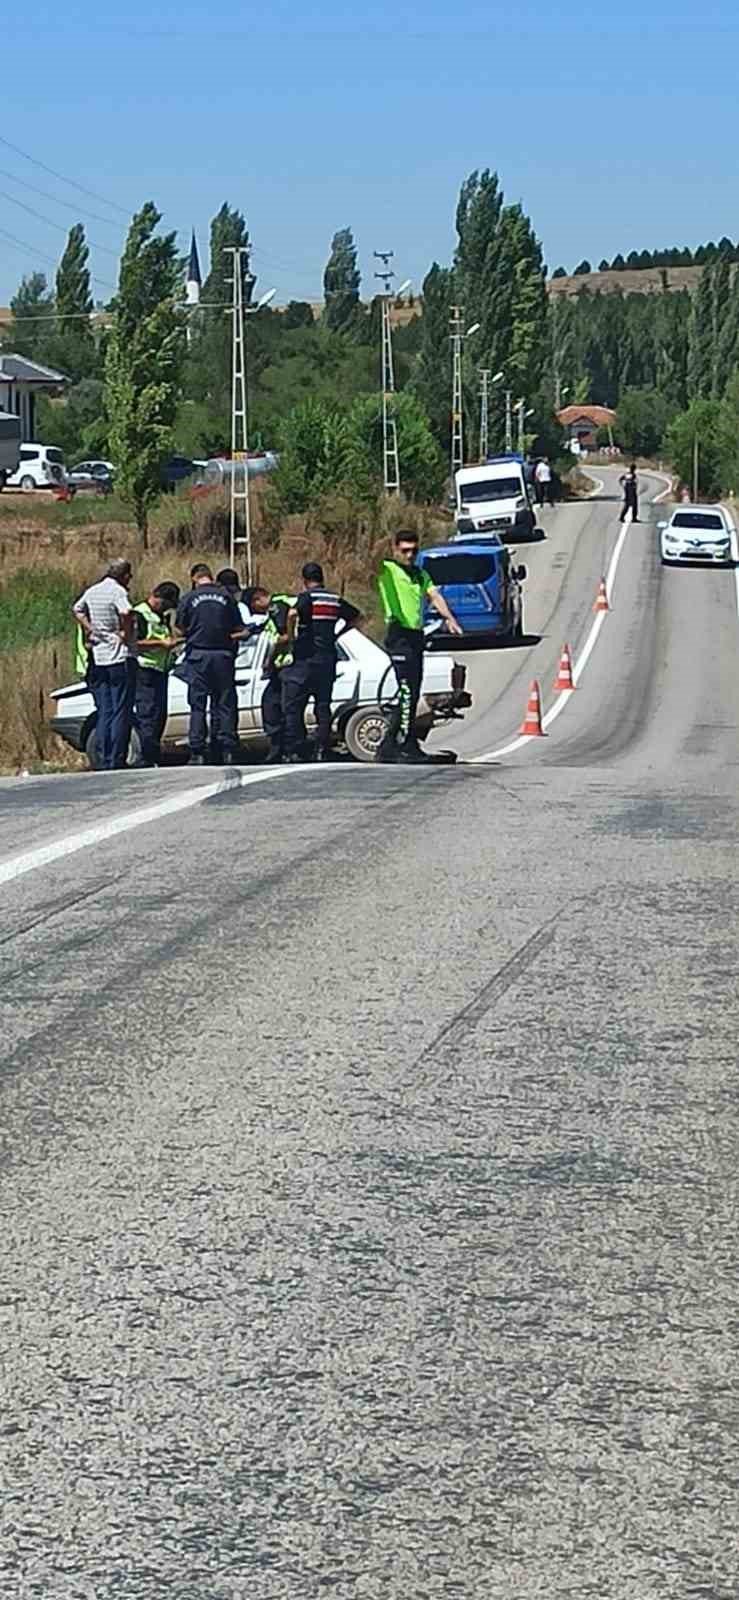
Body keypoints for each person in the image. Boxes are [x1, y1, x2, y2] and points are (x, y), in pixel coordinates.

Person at [376, 530, 463, 765]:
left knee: (412, 693)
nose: (409, 555)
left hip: (416, 636)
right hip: (398, 635)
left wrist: (449, 618)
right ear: (394, 549)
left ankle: (389, 745)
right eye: (404, 551)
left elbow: (434, 595)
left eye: (414, 551)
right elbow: (367, 555)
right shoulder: (386, 569)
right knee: (406, 691)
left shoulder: (419, 573)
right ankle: (403, 744)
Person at [281, 563, 361, 763]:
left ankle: (297, 750)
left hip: (305, 658)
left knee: (294, 705)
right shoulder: (334, 598)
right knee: (322, 706)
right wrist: (336, 635)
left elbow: (291, 614)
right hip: (327, 659)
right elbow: (358, 618)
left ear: (305, 580)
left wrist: (291, 636)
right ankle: (321, 749)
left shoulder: (307, 597)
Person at [174, 563, 243, 766]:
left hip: (198, 656)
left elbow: (179, 628)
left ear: (195, 578)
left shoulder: (188, 598)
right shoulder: (226, 597)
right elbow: (237, 626)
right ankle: (227, 749)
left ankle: (198, 751)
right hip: (223, 656)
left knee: (197, 705)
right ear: (210, 576)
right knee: (225, 703)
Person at [72, 558, 136, 770]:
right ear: (123, 575)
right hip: (118, 655)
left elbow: (77, 609)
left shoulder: (93, 591)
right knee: (120, 709)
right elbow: (126, 612)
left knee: (105, 709)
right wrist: (126, 633)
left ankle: (103, 757)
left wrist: (90, 628)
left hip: (99, 658)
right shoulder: (118, 592)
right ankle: (116, 757)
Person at [133, 581, 181, 767]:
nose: (168, 609)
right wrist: (161, 644)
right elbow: (134, 643)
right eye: (167, 605)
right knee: (148, 714)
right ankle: (147, 757)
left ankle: (153, 755)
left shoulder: (160, 616)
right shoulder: (139, 614)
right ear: (159, 598)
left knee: (160, 714)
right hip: (144, 670)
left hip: (161, 670)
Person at [261, 589, 297, 763]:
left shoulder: (277, 605)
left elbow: (283, 637)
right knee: (279, 707)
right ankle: (286, 749)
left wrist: (269, 660)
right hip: (287, 666)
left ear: (259, 599)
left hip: (285, 664)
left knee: (276, 707)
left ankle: (284, 750)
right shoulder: (289, 601)